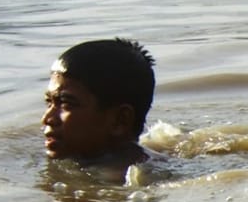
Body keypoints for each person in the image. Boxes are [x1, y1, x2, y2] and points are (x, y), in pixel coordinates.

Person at [41, 38, 159, 183]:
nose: (47, 119)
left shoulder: (124, 181)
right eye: (49, 102)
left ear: (119, 121)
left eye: (66, 103)